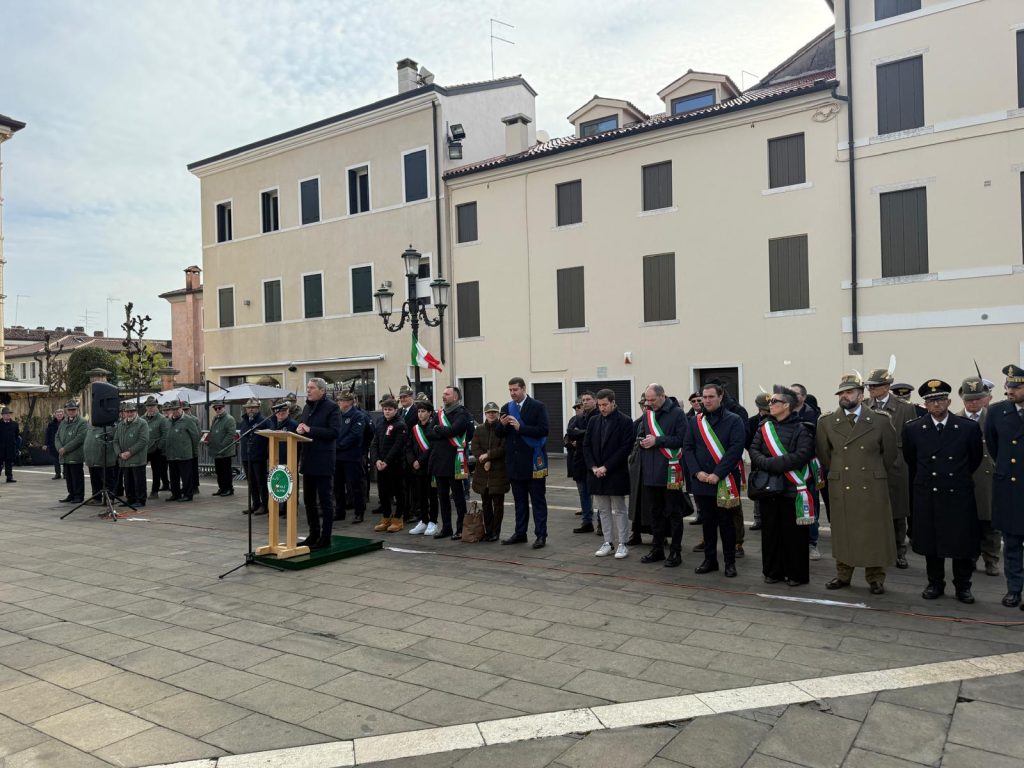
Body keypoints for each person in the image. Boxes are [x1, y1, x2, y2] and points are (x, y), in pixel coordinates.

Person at [815, 373, 898, 594]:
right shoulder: (826, 422)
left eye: (849, 392)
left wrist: (872, 472)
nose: (844, 396)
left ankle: (875, 578)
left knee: (874, 532)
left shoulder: (880, 420)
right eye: (841, 393)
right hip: (843, 484)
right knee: (843, 531)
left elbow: (889, 454)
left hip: (871, 485)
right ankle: (843, 575)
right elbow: (825, 455)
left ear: (861, 395)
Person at [903, 380, 983, 603]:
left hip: (958, 493)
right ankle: (935, 583)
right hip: (929, 492)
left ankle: (963, 586)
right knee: (932, 542)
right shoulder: (913, 428)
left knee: (961, 543)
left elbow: (974, 459)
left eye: (940, 400)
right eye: (931, 401)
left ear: (948, 401)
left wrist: (956, 477)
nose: (936, 404)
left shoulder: (967, 427)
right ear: (925, 404)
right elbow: (911, 459)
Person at [748, 387, 817, 586]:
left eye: (774, 401)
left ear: (786, 405)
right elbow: (754, 450)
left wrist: (772, 464)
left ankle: (795, 574)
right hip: (768, 488)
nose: (770, 404)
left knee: (794, 535)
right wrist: (768, 463)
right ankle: (772, 571)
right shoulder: (764, 427)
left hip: (792, 489)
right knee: (770, 532)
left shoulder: (802, 428)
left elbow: (802, 455)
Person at [685, 382, 746, 577]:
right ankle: (710, 560)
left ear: (720, 397)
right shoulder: (695, 421)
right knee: (708, 523)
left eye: (711, 396)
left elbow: (736, 449)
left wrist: (717, 473)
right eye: (704, 397)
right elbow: (688, 448)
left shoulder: (734, 420)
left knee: (727, 524)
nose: (707, 400)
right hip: (702, 481)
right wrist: (697, 472)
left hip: (724, 480)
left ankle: (730, 562)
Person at [865, 366, 917, 569]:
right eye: (869, 386)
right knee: (872, 509)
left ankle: (899, 551)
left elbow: (912, 438)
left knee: (897, 510)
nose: (871, 389)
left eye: (875, 386)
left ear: (887, 387)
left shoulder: (905, 408)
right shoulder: (865, 405)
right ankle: (877, 549)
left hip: (896, 463)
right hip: (871, 462)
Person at [984, 364, 1024, 608]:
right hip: (1009, 487)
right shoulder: (997, 412)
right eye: (1008, 386)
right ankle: (1014, 590)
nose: (1011, 391)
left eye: (1017, 387)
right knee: (1011, 544)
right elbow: (993, 446)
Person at [636, 383, 688, 566]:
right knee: (655, 513)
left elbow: (682, 439)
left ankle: (675, 552)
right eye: (647, 400)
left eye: (652, 400)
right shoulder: (647, 414)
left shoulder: (677, 413)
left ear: (662, 396)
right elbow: (642, 434)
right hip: (650, 471)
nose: (649, 403)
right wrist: (642, 441)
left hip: (669, 470)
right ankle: (657, 549)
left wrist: (658, 440)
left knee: (674, 513)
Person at [497, 377, 550, 549]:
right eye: (510, 390)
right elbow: (499, 434)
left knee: (538, 501)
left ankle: (541, 535)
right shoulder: (506, 408)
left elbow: (544, 430)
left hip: (533, 461)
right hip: (514, 463)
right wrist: (502, 425)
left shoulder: (537, 406)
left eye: (515, 390)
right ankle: (520, 533)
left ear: (523, 389)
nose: (512, 393)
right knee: (519, 502)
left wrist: (521, 428)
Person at [585, 388, 635, 559]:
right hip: (596, 473)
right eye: (599, 405)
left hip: (615, 472)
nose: (602, 408)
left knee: (619, 509)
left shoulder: (625, 421)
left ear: (613, 402)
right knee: (603, 509)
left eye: (605, 404)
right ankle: (608, 542)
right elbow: (586, 445)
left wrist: (606, 467)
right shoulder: (593, 420)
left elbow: (625, 448)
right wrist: (593, 467)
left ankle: (623, 543)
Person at [294, 378, 342, 549]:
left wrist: (310, 430)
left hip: (323, 461)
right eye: (307, 387)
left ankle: (325, 537)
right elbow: (304, 428)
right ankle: (313, 534)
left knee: (325, 501)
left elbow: (334, 432)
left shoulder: (332, 407)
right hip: (308, 460)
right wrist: (299, 430)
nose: (308, 390)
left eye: (312, 388)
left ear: (322, 390)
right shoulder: (307, 407)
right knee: (308, 500)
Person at [958, 376, 999, 576]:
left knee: (990, 522)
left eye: (977, 399)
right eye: (969, 399)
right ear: (962, 399)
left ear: (984, 398)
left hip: (989, 477)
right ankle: (970, 557)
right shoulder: (956, 419)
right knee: (968, 523)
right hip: (964, 478)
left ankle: (991, 559)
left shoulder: (994, 418)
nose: (973, 403)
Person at [428, 385, 471, 539]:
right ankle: (446, 528)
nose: (443, 396)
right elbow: (429, 433)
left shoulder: (462, 413)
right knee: (443, 497)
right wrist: (442, 432)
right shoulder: (440, 413)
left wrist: (438, 429)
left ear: (455, 397)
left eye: (447, 394)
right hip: (439, 462)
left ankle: (460, 529)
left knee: (458, 497)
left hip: (454, 462)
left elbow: (454, 430)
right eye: (443, 394)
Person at [791, 382, 823, 561]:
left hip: (808, 470)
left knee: (810, 507)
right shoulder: (782, 412)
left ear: (803, 396)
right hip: (788, 468)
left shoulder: (815, 416)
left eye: (795, 393)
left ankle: (812, 543)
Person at [471, 401, 508, 541]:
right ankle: (488, 530)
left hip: (498, 472)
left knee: (498, 505)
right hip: (483, 473)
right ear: (485, 414)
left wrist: (488, 456)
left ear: (498, 414)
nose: (491, 414)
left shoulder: (503, 429)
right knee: (486, 504)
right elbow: (475, 447)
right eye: (489, 412)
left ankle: (496, 532)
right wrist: (484, 460)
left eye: (494, 412)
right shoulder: (479, 429)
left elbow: (503, 448)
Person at [371, 398, 409, 533]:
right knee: (383, 492)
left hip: (395, 465)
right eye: (385, 409)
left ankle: (398, 518)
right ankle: (386, 516)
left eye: (390, 409)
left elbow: (397, 446)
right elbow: (374, 443)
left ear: (396, 410)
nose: (387, 412)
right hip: (381, 465)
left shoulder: (400, 425)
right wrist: (376, 460)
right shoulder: (380, 422)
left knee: (398, 492)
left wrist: (386, 461)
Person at [334, 391, 368, 524]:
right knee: (337, 486)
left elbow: (355, 435)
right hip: (337, 456)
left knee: (355, 486)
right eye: (338, 400)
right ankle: (339, 511)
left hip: (351, 456)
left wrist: (339, 445)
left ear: (349, 402)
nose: (339, 402)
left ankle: (359, 512)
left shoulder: (357, 416)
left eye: (341, 400)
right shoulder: (337, 415)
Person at [408, 399, 440, 536]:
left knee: (432, 496)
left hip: (430, 467)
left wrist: (420, 461)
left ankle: (433, 522)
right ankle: (424, 520)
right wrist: (413, 461)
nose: (420, 414)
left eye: (423, 411)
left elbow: (432, 447)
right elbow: (408, 446)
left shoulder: (433, 428)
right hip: (417, 468)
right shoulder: (415, 428)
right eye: (419, 411)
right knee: (420, 496)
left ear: (430, 413)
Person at [566, 393, 597, 533]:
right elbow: (570, 432)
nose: (585, 402)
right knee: (583, 492)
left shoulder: (599, 416)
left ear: (595, 401)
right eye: (583, 400)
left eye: (588, 399)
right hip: (580, 459)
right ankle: (587, 522)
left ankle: (602, 525)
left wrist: (580, 432)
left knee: (599, 493)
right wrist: (587, 432)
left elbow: (597, 433)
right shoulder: (578, 418)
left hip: (595, 460)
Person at [115, 402, 150, 508]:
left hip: (137, 458)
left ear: (136, 412)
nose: (130, 413)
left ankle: (140, 500)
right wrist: (119, 453)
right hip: (124, 459)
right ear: (124, 413)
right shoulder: (121, 424)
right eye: (127, 412)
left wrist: (130, 452)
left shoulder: (142, 423)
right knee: (128, 481)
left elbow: (143, 440)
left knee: (139, 481)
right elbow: (115, 441)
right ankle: (130, 499)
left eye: (132, 411)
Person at [165, 400, 200, 502]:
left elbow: (195, 437)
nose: (175, 411)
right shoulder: (169, 421)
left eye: (177, 409)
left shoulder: (188, 420)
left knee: (186, 476)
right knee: (173, 476)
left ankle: (188, 494)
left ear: (181, 409)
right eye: (173, 409)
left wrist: (193, 451)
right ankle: (175, 494)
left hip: (184, 454)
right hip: (172, 454)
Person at [239, 399, 270, 515]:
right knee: (251, 482)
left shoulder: (264, 421)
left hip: (259, 456)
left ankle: (265, 505)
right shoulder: (244, 421)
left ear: (258, 408)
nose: (250, 409)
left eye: (253, 407)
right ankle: (255, 503)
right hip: (246, 456)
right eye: (248, 407)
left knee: (261, 482)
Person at [746, 393, 771, 532]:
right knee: (758, 489)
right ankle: (758, 518)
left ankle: (769, 518)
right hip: (757, 462)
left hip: (773, 462)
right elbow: (747, 442)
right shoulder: (752, 422)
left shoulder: (776, 420)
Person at [56, 400, 88, 503]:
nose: (71, 412)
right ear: (66, 410)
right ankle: (71, 494)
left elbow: (80, 439)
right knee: (68, 477)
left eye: (73, 410)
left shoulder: (82, 422)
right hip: (64, 455)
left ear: (77, 410)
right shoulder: (64, 422)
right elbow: (57, 436)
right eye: (69, 410)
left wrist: (65, 448)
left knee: (76, 476)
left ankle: (78, 496)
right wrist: (59, 448)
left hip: (75, 455)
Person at [83, 419, 117, 503]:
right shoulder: (90, 427)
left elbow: (114, 440)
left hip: (105, 459)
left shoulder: (111, 427)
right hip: (92, 458)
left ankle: (110, 498)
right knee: (95, 479)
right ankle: (96, 497)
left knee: (108, 479)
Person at [208, 403, 237, 497]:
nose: (217, 410)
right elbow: (212, 431)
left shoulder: (229, 419)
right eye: (215, 408)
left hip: (225, 450)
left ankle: (228, 489)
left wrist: (222, 445)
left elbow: (230, 434)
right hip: (217, 450)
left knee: (226, 471)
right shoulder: (215, 418)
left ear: (223, 408)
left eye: (219, 408)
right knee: (219, 471)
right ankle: (222, 488)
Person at [142, 397, 169, 498]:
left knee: (156, 472)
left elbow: (165, 435)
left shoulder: (162, 419)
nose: (150, 408)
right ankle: (141, 491)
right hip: (144, 450)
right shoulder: (142, 419)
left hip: (156, 450)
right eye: (148, 406)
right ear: (146, 407)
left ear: (156, 406)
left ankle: (154, 491)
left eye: (152, 406)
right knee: (140, 471)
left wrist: (159, 447)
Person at [44, 408, 64, 480]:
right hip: (54, 444)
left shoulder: (66, 422)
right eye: (57, 414)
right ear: (55, 415)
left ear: (63, 415)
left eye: (60, 414)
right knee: (56, 460)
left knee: (65, 459)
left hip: (64, 444)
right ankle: (57, 474)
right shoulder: (51, 424)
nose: (59, 416)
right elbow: (47, 434)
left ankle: (66, 474)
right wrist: (46, 444)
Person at [0, 407, 19, 482]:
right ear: (2, 415)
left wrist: (14, 443)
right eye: (6, 414)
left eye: (9, 414)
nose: (8, 415)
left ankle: (9, 477)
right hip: (1, 448)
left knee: (9, 463)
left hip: (10, 447)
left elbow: (16, 435)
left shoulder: (14, 424)